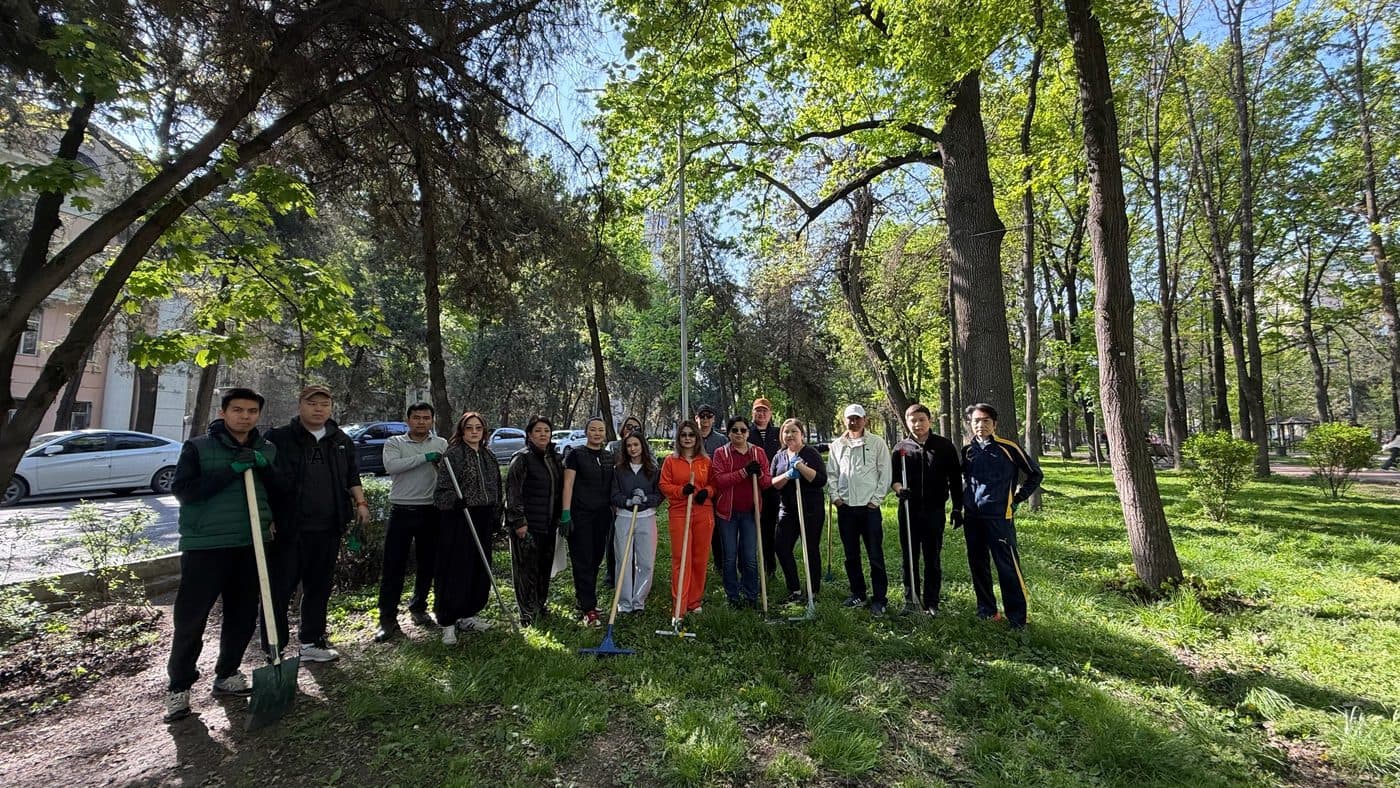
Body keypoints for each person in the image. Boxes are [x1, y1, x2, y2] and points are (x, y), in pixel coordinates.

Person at [164, 388, 281, 722]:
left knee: (242, 615)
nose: (245, 417)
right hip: (206, 545)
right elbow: (184, 492)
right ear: (223, 412)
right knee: (191, 619)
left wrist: (265, 469)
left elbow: (281, 491)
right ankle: (179, 687)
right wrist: (232, 468)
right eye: (238, 410)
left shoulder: (266, 449)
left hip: (250, 543)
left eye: (252, 411)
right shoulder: (198, 448)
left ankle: (228, 673)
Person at [265, 384, 369, 663]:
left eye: (324, 404)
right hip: (289, 528)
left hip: (328, 527)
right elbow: (265, 479)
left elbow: (352, 475)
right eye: (312, 404)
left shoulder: (340, 440)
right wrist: (268, 516)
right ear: (300, 405)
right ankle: (274, 650)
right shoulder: (279, 438)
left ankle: (311, 641)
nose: (319, 409)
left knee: (319, 587)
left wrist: (361, 503)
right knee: (279, 590)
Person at [960, 402, 1043, 630]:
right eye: (976, 421)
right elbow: (965, 480)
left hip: (999, 518)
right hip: (973, 518)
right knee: (978, 564)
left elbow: (1035, 474)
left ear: (994, 424)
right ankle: (987, 611)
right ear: (970, 424)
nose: (981, 425)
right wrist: (961, 507)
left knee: (1007, 567)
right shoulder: (967, 451)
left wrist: (1017, 498)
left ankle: (1017, 619)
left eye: (986, 421)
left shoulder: (1008, 448)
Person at [373, 403, 448, 642]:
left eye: (426, 418)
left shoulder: (441, 444)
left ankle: (418, 607)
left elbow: (448, 472)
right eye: (416, 417)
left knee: (428, 564)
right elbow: (392, 466)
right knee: (393, 566)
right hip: (402, 510)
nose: (421, 422)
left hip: (431, 511)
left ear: (432, 420)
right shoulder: (394, 443)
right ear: (408, 420)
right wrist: (425, 457)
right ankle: (387, 619)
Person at [432, 411, 503, 643]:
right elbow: (440, 492)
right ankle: (448, 621)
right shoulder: (453, 455)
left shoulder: (489, 456)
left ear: (484, 431)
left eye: (478, 428)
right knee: (456, 570)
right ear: (461, 431)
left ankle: (468, 614)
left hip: (483, 517)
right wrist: (455, 501)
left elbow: (496, 488)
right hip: (459, 518)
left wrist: (496, 515)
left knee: (479, 568)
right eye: (469, 428)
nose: (474, 432)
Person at [890, 403, 963, 616]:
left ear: (930, 421)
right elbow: (894, 478)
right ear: (906, 422)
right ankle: (911, 599)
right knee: (909, 556)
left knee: (932, 557)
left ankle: (932, 602)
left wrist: (957, 508)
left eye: (921, 420)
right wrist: (899, 489)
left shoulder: (944, 446)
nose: (917, 424)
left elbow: (955, 480)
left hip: (934, 510)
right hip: (908, 510)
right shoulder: (900, 448)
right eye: (913, 420)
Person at [828, 403, 892, 616]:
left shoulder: (877, 443)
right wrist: (836, 498)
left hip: (869, 509)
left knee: (875, 555)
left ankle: (880, 598)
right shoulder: (837, 445)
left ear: (865, 420)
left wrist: (876, 500)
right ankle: (858, 593)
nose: (853, 421)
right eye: (850, 418)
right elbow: (832, 474)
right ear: (844, 420)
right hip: (846, 508)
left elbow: (885, 473)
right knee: (851, 555)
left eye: (857, 418)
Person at [505, 415, 564, 627]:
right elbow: (513, 492)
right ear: (529, 435)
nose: (543, 435)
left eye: (546, 431)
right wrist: (518, 521)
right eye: (538, 431)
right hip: (527, 525)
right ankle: (526, 612)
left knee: (543, 568)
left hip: (548, 524)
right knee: (525, 570)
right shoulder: (522, 459)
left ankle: (540, 605)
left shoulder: (554, 458)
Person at [711, 415, 772, 608]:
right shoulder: (721, 453)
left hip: (750, 513)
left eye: (743, 430)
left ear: (748, 432)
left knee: (750, 556)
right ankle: (732, 596)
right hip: (727, 513)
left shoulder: (758, 453)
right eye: (734, 430)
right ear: (728, 433)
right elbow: (719, 480)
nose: (739, 433)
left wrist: (759, 474)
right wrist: (744, 472)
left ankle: (751, 595)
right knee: (729, 557)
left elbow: (767, 482)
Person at [561, 416, 615, 627]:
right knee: (582, 560)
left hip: (602, 516)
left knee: (595, 558)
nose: (597, 433)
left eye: (601, 430)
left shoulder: (609, 456)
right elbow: (568, 484)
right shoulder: (576, 454)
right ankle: (588, 608)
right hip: (580, 515)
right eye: (593, 429)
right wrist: (566, 513)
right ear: (586, 432)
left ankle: (585, 598)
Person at [659, 422, 716, 616]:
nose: (687, 438)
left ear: (697, 438)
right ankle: (680, 605)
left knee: (700, 557)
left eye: (691, 434)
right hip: (680, 511)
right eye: (683, 435)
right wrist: (681, 491)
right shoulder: (671, 461)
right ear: (679, 438)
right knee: (681, 557)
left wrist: (706, 492)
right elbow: (664, 485)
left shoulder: (706, 461)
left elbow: (714, 484)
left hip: (702, 512)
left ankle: (694, 601)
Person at [769, 417, 826, 601]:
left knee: (810, 548)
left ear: (802, 434)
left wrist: (800, 467)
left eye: (794, 431)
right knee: (781, 547)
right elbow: (773, 483)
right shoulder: (779, 456)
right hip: (787, 509)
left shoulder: (810, 453)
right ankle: (794, 589)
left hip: (810, 509)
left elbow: (820, 480)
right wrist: (787, 474)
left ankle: (813, 590)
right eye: (786, 431)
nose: (790, 435)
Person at [610, 433, 663, 613]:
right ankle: (624, 603)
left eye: (636, 445)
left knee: (646, 561)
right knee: (623, 560)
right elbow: (614, 494)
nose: (633, 449)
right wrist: (627, 501)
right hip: (624, 517)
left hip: (646, 517)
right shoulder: (618, 470)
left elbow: (659, 495)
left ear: (642, 446)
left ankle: (638, 601)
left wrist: (646, 499)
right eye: (629, 445)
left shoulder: (653, 470)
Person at [749, 398, 782, 586]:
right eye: (758, 411)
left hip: (771, 488)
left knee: (769, 531)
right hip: (750, 488)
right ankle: (750, 568)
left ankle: (770, 568)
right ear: (752, 413)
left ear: (770, 414)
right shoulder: (745, 432)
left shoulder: (778, 433)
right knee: (750, 531)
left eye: (764, 411)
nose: (761, 414)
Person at [695, 404, 726, 571]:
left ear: (713, 419)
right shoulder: (690, 437)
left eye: (709, 416)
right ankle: (696, 563)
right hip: (695, 491)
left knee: (717, 529)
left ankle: (719, 563)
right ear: (696, 418)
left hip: (716, 491)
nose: (705, 419)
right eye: (702, 416)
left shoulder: (722, 440)